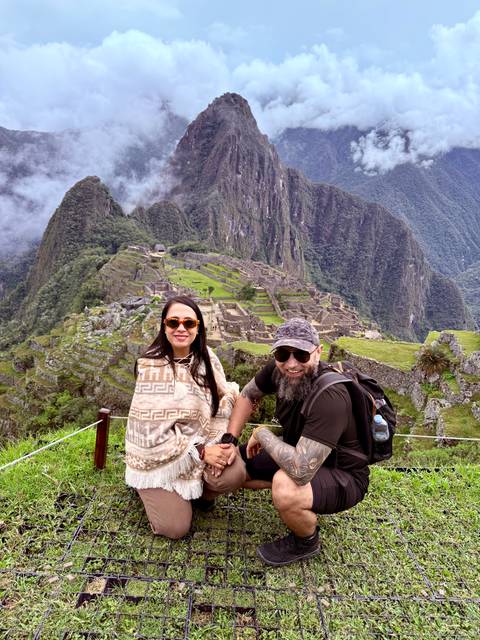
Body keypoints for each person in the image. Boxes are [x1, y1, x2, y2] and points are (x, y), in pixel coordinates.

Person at [222, 317, 370, 566]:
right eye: (282, 354)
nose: (291, 364)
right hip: (298, 450)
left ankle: (306, 541)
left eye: (301, 355)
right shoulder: (278, 370)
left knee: (286, 484)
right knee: (236, 460)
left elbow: (301, 470)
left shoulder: (331, 396)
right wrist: (229, 438)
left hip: (342, 473)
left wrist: (263, 434)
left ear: (318, 352)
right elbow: (248, 394)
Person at [125, 295, 245, 539]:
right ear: (164, 326)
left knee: (235, 472)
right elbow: (149, 436)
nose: (181, 328)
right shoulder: (151, 368)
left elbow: (225, 397)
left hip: (201, 440)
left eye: (189, 323)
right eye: (174, 322)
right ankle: (147, 488)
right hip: (159, 458)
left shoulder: (206, 359)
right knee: (174, 529)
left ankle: (198, 493)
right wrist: (200, 451)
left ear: (198, 327)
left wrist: (224, 442)